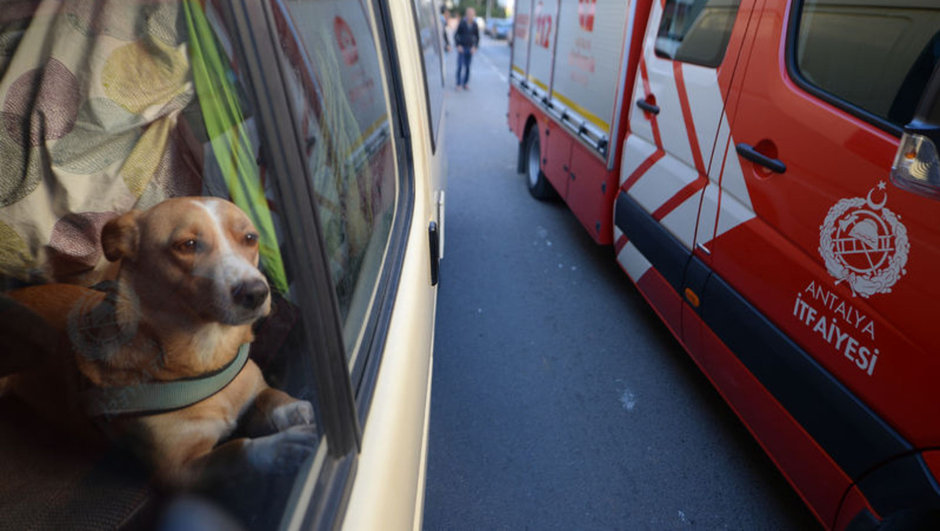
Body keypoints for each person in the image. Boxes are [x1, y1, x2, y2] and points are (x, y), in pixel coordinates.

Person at [454, 7, 479, 90]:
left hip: (470, 49)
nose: (470, 15)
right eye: (469, 14)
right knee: (460, 66)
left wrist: (475, 47)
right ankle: (458, 84)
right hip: (462, 48)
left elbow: (477, 37)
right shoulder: (462, 23)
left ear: (474, 15)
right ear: (466, 14)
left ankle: (465, 83)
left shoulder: (475, 25)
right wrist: (458, 45)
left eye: (472, 14)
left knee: (468, 67)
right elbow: (456, 35)